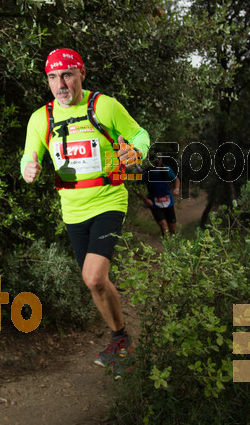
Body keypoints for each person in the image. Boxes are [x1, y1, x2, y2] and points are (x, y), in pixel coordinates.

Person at [21, 48, 150, 379]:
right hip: (72, 210)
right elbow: (28, 157)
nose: (60, 84)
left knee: (92, 276)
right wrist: (29, 167)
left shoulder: (103, 105)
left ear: (81, 74)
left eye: (67, 75)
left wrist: (135, 151)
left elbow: (140, 135)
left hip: (109, 200)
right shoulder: (41, 118)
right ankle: (120, 341)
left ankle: (121, 343)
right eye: (53, 77)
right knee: (97, 283)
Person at [137, 156, 180, 235]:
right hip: (154, 204)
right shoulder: (146, 172)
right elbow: (136, 187)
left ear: (161, 159)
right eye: (155, 159)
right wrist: (145, 199)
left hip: (168, 202)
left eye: (159, 159)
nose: (157, 161)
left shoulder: (167, 169)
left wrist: (176, 189)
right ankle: (166, 245)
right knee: (164, 228)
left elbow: (176, 179)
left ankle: (172, 246)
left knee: (173, 229)